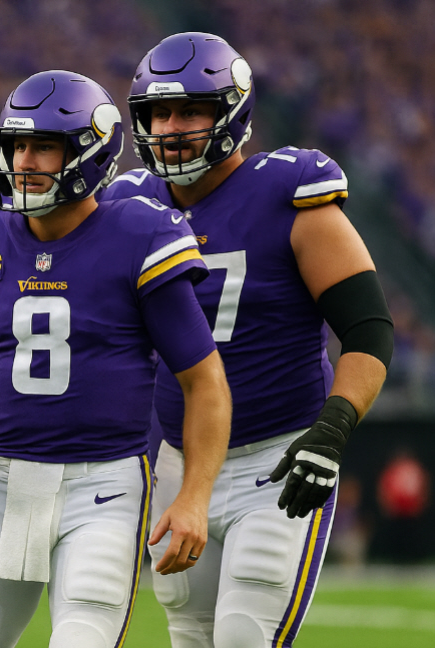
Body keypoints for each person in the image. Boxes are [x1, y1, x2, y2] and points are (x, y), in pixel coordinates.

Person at [0, 70, 232, 648]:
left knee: (82, 635)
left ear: (91, 152)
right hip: (1, 482)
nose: (24, 161)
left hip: (102, 486)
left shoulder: (141, 233)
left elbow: (204, 381)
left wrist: (194, 496)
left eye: (44, 146)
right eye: (17, 145)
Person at [102, 32, 394, 648]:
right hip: (178, 461)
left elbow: (368, 329)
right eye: (159, 112)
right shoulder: (128, 207)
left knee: (244, 635)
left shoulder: (288, 196)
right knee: (190, 631)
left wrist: (332, 430)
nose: (172, 127)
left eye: (191, 110)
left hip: (278, 455)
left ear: (231, 112)